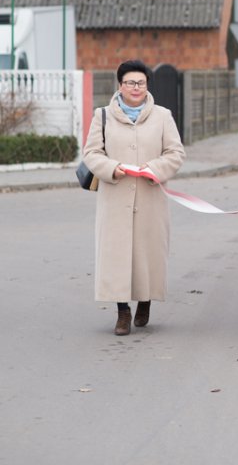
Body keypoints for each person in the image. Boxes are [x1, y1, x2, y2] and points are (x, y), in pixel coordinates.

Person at [81, 60, 185, 336]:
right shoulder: (102, 115)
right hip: (115, 197)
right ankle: (122, 311)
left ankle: (145, 301)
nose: (135, 87)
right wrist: (111, 168)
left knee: (147, 255)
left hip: (150, 196)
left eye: (140, 82)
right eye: (130, 82)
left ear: (147, 85)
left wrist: (156, 169)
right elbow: (92, 153)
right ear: (120, 86)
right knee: (116, 257)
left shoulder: (163, 116)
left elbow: (175, 153)